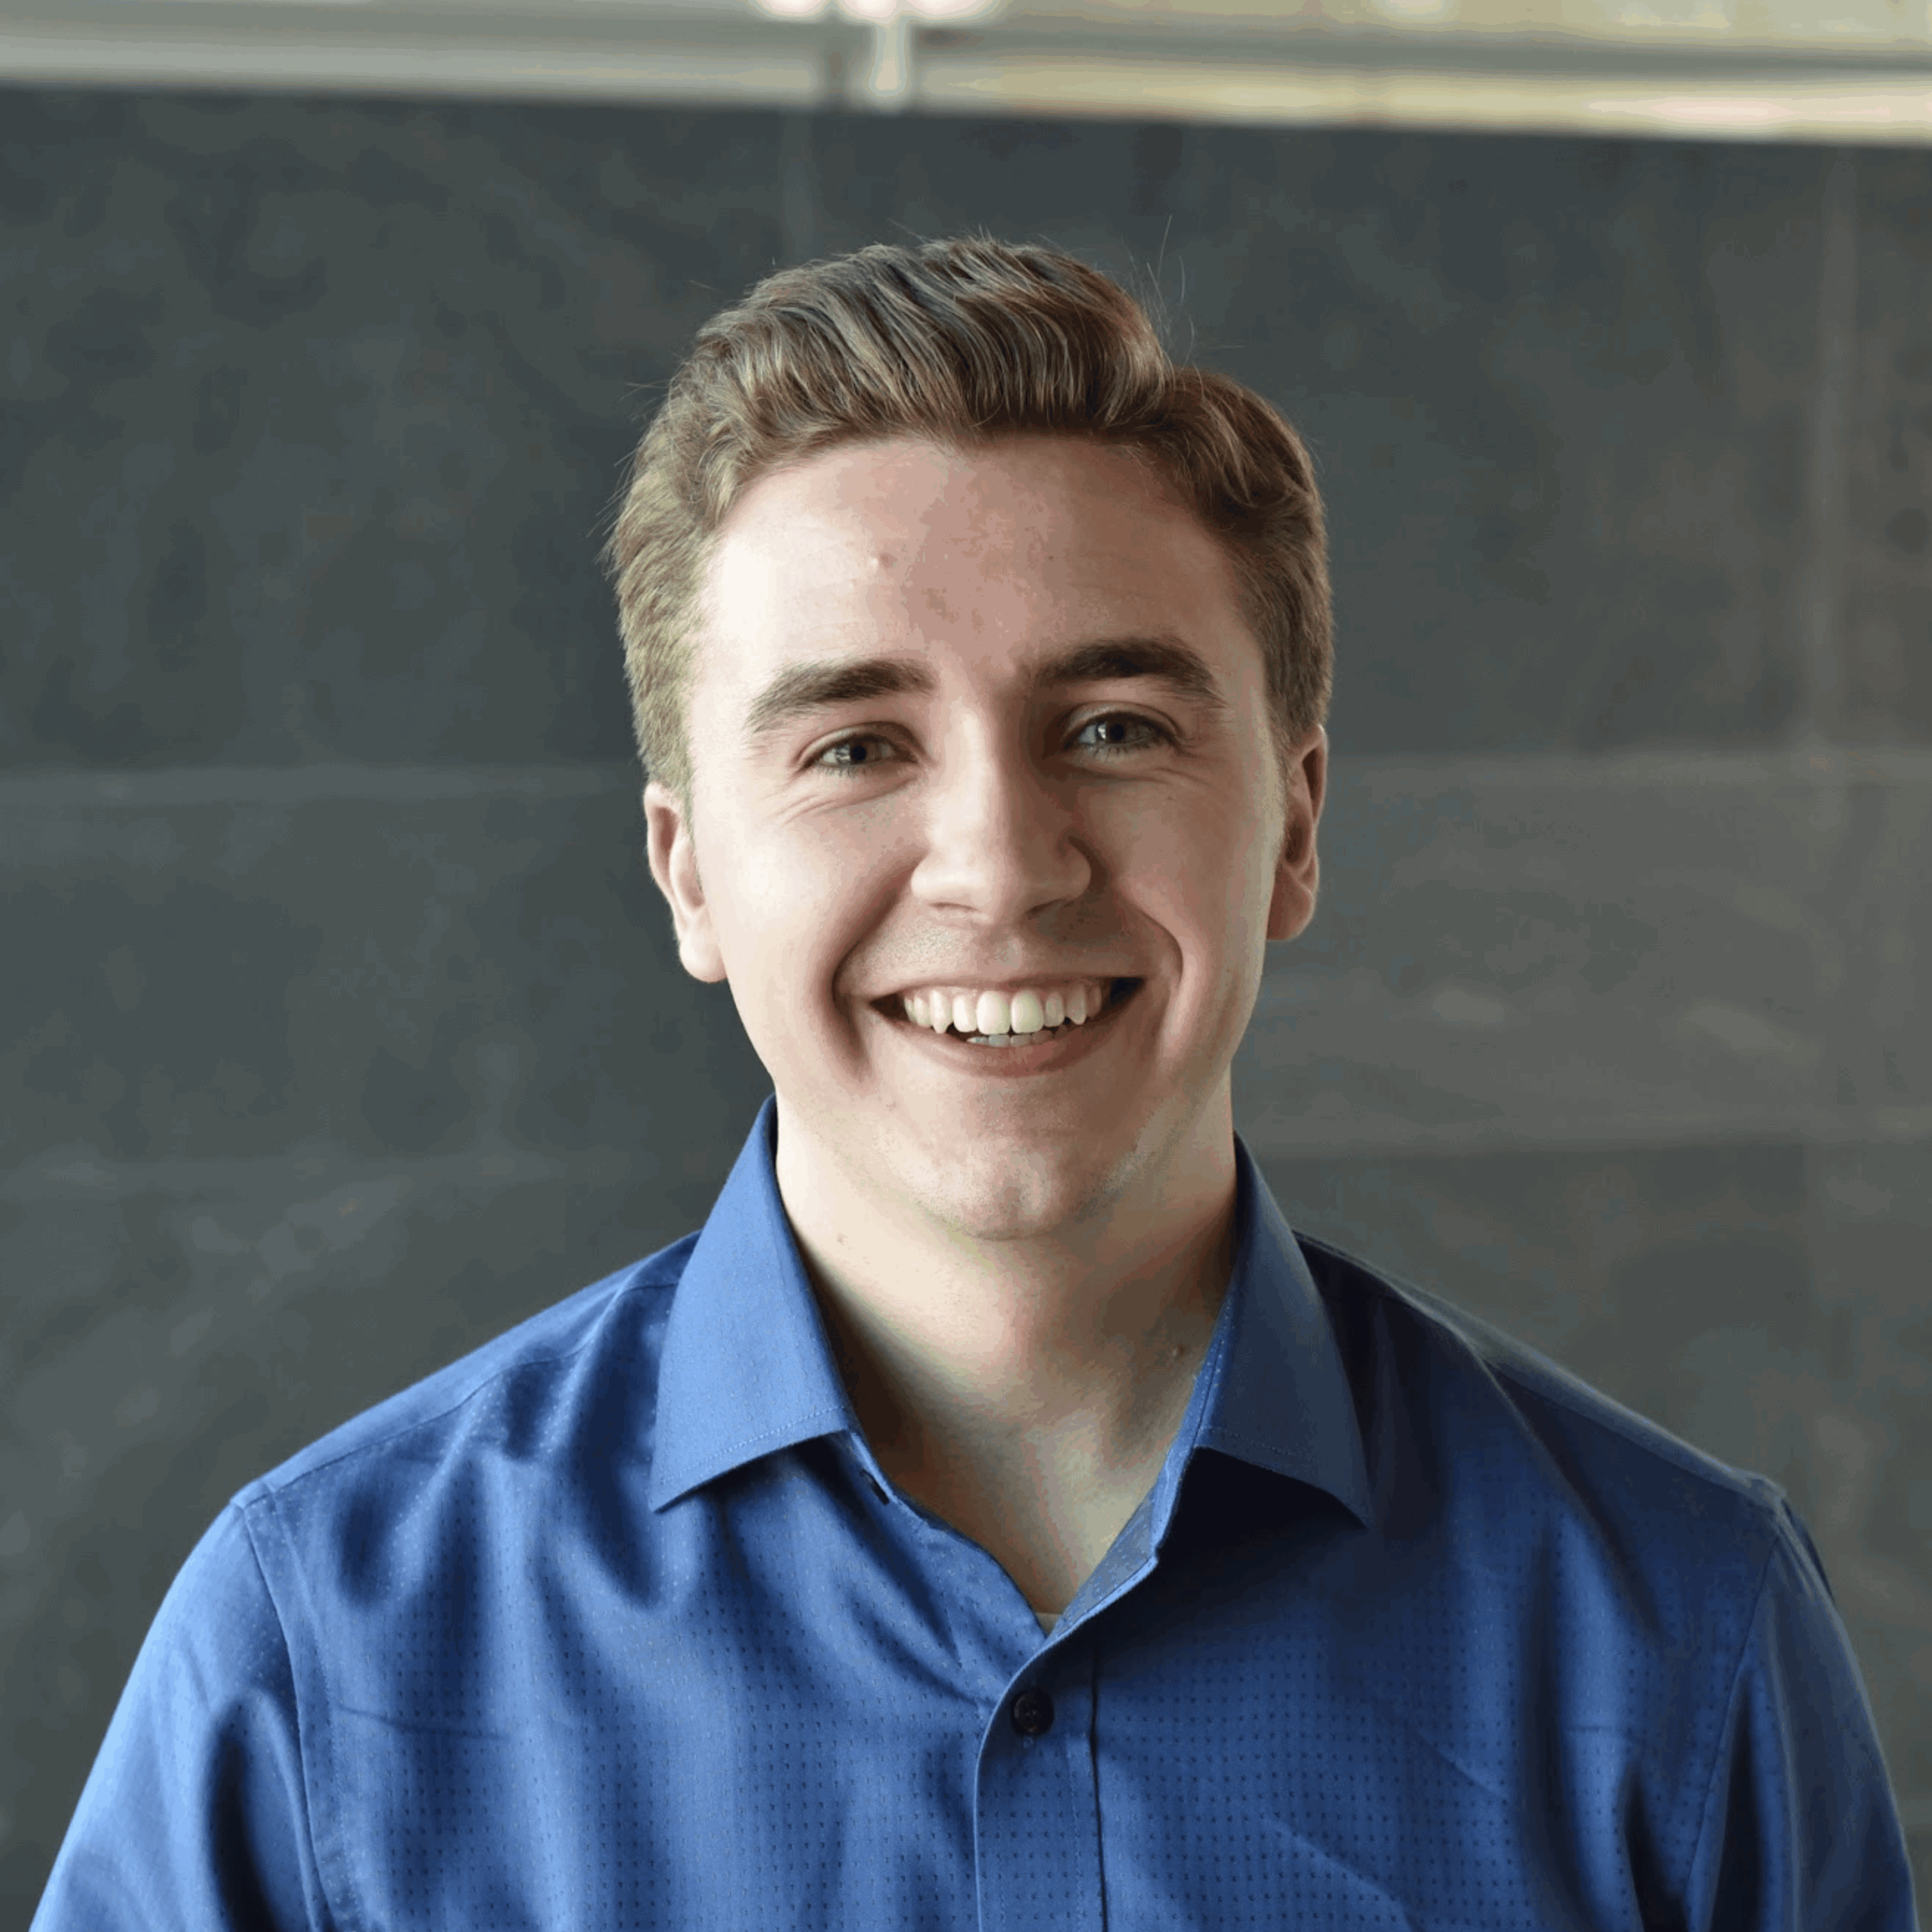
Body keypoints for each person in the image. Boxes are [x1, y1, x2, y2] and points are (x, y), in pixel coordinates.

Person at [34, 232, 1915, 1929]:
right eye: (855, 746)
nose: (1001, 868)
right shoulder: (322, 1648)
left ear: (1292, 825)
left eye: (1111, 725)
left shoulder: (1684, 1636)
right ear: (688, 874)